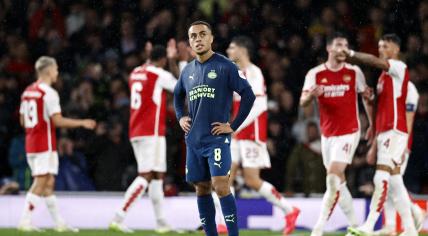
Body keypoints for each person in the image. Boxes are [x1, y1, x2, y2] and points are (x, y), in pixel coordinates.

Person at [173, 21, 255, 236]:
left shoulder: (226, 65)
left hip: (217, 139)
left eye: (202, 35)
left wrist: (232, 126)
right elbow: (177, 95)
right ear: (190, 41)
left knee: (220, 185)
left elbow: (248, 95)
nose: (198, 39)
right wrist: (181, 117)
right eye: (193, 36)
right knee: (201, 187)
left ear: (211, 39)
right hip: (193, 140)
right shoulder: (188, 70)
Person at [341, 34, 418, 236]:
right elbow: (381, 108)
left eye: (385, 46)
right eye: (379, 46)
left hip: (395, 130)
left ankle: (369, 224)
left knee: (380, 176)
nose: (381, 49)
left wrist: (351, 54)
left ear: (396, 49)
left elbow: (374, 61)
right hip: (384, 131)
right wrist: (371, 101)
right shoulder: (384, 78)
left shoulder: (398, 68)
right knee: (394, 182)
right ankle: (410, 229)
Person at [299, 32, 373, 236]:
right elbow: (302, 101)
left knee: (332, 176)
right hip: (328, 135)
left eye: (346, 45)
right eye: (340, 45)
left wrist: (372, 123)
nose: (343, 49)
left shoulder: (354, 71)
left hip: (349, 131)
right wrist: (312, 96)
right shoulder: (315, 73)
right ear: (329, 48)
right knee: (338, 181)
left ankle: (318, 228)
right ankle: (355, 226)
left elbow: (366, 97)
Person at [225, 36, 300, 235]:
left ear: (242, 50)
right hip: (235, 134)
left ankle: (290, 210)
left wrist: (234, 127)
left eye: (232, 48)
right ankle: (227, 222)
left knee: (251, 180)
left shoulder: (254, 73)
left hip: (251, 133)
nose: (228, 51)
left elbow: (258, 106)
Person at [18, 56, 96, 232]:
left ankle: (59, 223)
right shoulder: (49, 93)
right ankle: (24, 220)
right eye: (56, 69)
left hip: (31, 143)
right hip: (44, 144)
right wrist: (82, 122)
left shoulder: (27, 92)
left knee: (49, 182)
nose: (57, 73)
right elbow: (57, 121)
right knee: (41, 181)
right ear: (48, 71)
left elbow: (23, 120)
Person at [109, 45, 178, 233]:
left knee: (157, 175)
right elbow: (180, 86)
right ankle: (118, 216)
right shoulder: (159, 74)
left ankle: (161, 222)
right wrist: (173, 61)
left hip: (137, 130)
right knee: (146, 175)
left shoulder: (135, 72)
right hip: (151, 131)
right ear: (162, 60)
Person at [373, 81, 426, 235]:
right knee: (388, 183)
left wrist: (403, 145)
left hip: (401, 142)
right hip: (387, 140)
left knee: (391, 181)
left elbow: (408, 119)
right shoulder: (384, 82)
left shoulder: (409, 88)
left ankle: (414, 211)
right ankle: (390, 225)